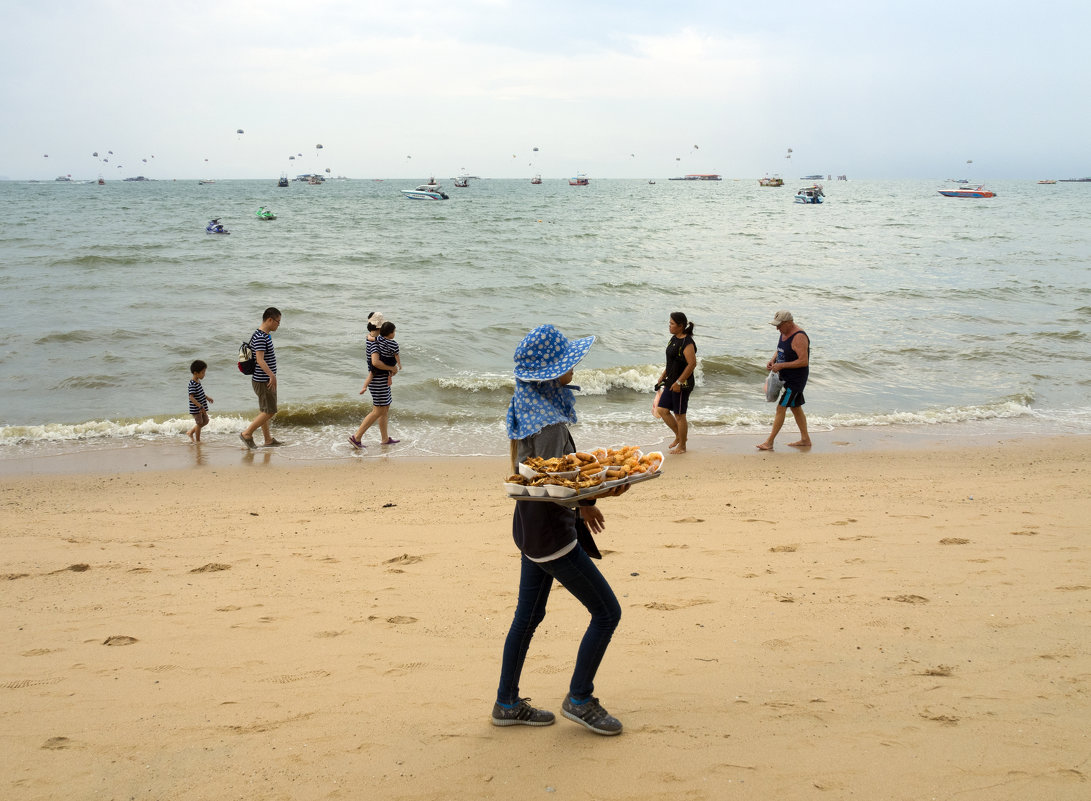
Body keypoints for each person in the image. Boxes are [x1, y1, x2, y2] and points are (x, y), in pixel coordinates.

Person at [492, 324, 626, 736]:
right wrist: (598, 494)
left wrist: (587, 501)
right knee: (606, 613)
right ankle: (580, 699)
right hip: (551, 536)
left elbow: (544, 478)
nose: (574, 368)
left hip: (530, 528)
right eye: (568, 364)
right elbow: (558, 489)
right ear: (552, 373)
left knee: (528, 617)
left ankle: (506, 703)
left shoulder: (528, 403)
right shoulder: (548, 424)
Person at [757, 310, 811, 450]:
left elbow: (803, 361)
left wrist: (782, 365)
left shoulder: (799, 337)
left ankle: (769, 442)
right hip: (784, 377)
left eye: (779, 325)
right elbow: (780, 349)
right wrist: (773, 360)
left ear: (788, 323)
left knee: (781, 407)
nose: (777, 328)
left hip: (795, 380)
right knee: (795, 407)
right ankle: (805, 439)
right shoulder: (784, 332)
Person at [349, 313, 399, 448]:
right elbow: (375, 362)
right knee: (378, 410)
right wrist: (392, 368)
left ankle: (385, 438)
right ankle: (356, 437)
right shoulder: (375, 342)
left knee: (385, 408)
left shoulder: (373, 338)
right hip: (378, 379)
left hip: (381, 378)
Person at [239, 307, 283, 449]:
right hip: (263, 380)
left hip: (263, 379)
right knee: (269, 411)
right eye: (277, 321)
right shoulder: (260, 337)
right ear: (270, 319)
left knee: (264, 410)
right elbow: (260, 360)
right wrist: (272, 376)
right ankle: (247, 433)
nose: (278, 325)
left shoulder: (264, 335)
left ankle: (268, 440)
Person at [654, 312, 697, 454]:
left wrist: (679, 382)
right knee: (662, 410)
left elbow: (691, 364)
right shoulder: (673, 339)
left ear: (681, 326)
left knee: (679, 415)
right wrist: (662, 376)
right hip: (671, 381)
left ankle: (682, 446)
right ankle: (679, 436)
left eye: (672, 324)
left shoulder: (687, 342)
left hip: (682, 384)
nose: (669, 326)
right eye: (669, 323)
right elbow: (671, 362)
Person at [186, 360, 213, 442]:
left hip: (202, 406)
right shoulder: (192, 384)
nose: (204, 374)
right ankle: (197, 441)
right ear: (195, 373)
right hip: (196, 408)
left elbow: (200, 393)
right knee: (200, 423)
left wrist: (207, 397)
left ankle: (191, 432)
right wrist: (200, 406)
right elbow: (191, 397)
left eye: (204, 372)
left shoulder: (198, 381)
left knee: (206, 421)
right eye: (202, 372)